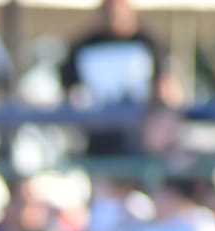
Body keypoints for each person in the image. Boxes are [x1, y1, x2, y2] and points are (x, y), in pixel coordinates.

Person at [59, 0, 169, 156]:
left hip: (140, 135)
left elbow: (164, 87)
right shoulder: (84, 46)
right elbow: (70, 90)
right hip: (97, 136)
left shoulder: (148, 43)